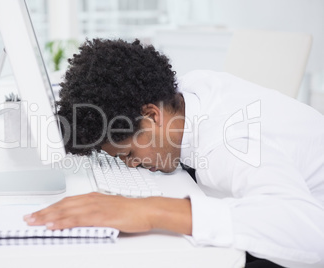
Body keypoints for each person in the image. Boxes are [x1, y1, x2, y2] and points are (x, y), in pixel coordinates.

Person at [23, 39, 324, 268]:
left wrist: (149, 210)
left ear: (152, 116)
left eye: (128, 153)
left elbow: (310, 229)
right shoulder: (187, 92)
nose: (133, 164)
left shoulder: (230, 142)